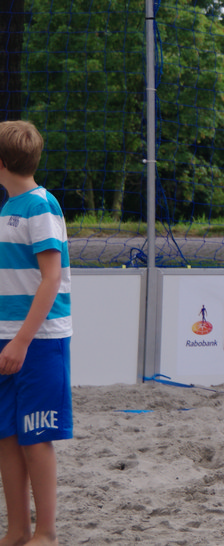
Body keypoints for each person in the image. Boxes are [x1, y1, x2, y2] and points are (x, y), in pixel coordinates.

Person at [0, 120, 72, 546]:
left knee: (36, 435)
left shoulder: (40, 206)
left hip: (39, 340)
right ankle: (17, 530)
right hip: (8, 336)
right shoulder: (9, 207)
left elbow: (51, 278)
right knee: (8, 436)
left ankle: (46, 532)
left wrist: (22, 340)